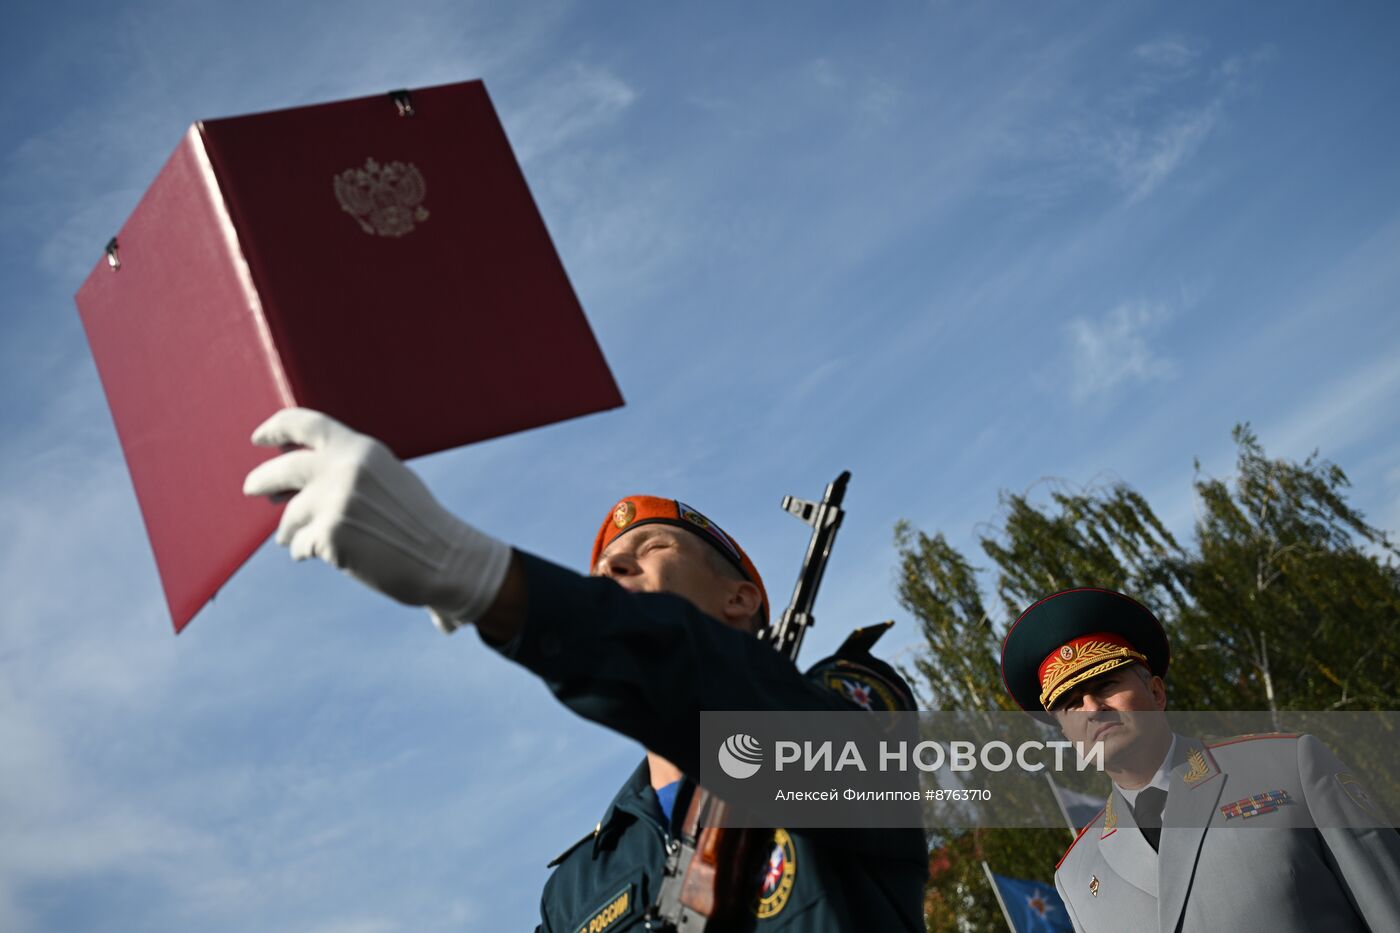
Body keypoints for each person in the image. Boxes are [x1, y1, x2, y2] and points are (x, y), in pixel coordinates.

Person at [242, 408, 927, 931]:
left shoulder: (845, 713)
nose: (614, 567)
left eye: (652, 546)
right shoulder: (578, 884)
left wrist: (490, 582)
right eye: (600, 571)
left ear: (741, 597)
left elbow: (707, 684)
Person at [999, 587, 1400, 933]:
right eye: (1070, 705)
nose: (1092, 709)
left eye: (1105, 684)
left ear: (1156, 693)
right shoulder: (1075, 874)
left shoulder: (1290, 766)